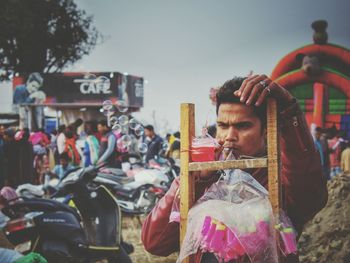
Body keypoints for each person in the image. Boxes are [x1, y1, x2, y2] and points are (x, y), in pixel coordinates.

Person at [141, 75, 328, 262]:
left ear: (266, 130)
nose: (229, 136)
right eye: (223, 125)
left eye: (243, 126)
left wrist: (289, 111)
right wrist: (197, 180)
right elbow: (155, 243)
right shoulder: (203, 174)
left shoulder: (281, 178)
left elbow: (311, 197)